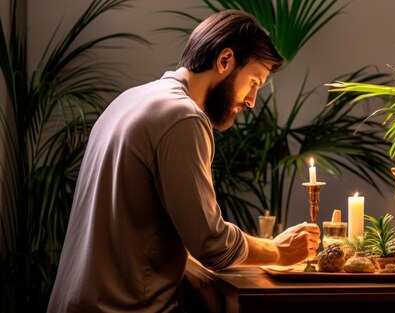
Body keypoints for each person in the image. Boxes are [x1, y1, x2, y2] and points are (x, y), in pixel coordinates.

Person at [47, 10, 320, 312]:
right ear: (225, 60)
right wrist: (278, 251)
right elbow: (212, 245)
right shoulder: (183, 117)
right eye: (254, 82)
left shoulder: (130, 99)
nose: (252, 101)